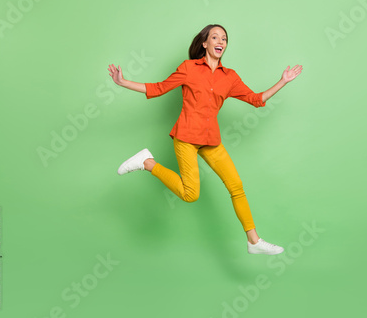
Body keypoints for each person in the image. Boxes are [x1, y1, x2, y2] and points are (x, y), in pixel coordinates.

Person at [108, 24, 302, 255]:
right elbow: (159, 88)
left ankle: (253, 241)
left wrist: (283, 81)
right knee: (191, 194)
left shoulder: (229, 77)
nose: (221, 41)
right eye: (215, 37)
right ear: (205, 43)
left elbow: (256, 99)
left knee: (236, 187)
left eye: (224, 38)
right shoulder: (189, 68)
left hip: (211, 141)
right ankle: (147, 162)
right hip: (186, 137)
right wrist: (123, 82)